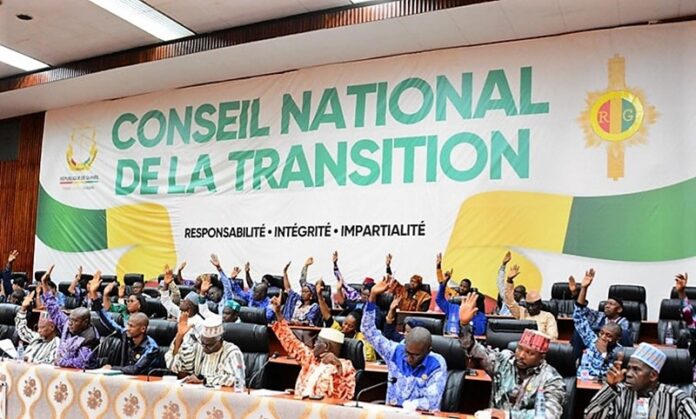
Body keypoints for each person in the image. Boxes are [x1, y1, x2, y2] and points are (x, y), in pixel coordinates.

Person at [458, 293, 566, 419]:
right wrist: (464, 324)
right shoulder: (504, 361)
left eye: (530, 353)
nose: (521, 355)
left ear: (542, 357)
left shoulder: (551, 379)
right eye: (520, 348)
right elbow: (474, 349)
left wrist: (507, 415)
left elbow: (549, 415)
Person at [361, 276, 447, 411]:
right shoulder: (396, 351)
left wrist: (411, 406)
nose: (408, 358)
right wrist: (372, 297)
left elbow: (432, 401)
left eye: (415, 355)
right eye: (407, 352)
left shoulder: (436, 364)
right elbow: (368, 331)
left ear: (428, 351)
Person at [270, 296, 356, 399]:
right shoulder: (310, 358)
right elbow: (290, 340)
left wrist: (338, 368)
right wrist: (278, 313)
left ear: (326, 346)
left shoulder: (345, 366)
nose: (314, 345)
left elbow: (344, 396)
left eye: (317, 342)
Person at [584, 343, 696, 418]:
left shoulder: (678, 399)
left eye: (636, 369)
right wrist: (610, 386)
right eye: (628, 368)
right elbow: (590, 416)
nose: (628, 374)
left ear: (652, 376)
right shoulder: (618, 392)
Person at [88, 281, 162, 375]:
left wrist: (112, 368)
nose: (128, 328)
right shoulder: (126, 334)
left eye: (131, 326)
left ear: (142, 329)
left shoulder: (151, 347)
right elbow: (108, 320)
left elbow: (136, 369)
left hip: (146, 381)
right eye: (128, 325)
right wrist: (94, 294)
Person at [42, 265, 99, 368]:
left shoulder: (89, 338)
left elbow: (82, 363)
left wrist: (60, 362)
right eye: (70, 320)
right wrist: (44, 284)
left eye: (75, 321)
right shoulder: (67, 324)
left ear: (85, 322)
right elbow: (53, 308)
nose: (70, 323)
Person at [167, 314, 246, 387]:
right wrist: (179, 336)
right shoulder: (198, 347)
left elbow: (238, 380)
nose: (204, 347)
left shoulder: (233, 352)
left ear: (219, 340)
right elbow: (175, 366)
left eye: (209, 345)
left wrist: (204, 381)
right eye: (203, 343)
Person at [571, 268, 632, 360]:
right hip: (592, 346)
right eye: (606, 303)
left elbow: (620, 340)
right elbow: (580, 311)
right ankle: (574, 361)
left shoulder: (624, 323)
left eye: (611, 304)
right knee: (578, 331)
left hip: (612, 353)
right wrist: (584, 288)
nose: (607, 306)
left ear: (619, 309)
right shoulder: (598, 316)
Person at [573, 269, 623, 379]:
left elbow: (612, 377)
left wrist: (604, 353)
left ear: (617, 339)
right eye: (601, 333)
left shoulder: (619, 352)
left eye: (608, 335)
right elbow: (579, 316)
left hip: (602, 386)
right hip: (582, 381)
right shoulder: (592, 340)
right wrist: (584, 288)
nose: (603, 337)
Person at [316, 279, 376, 361]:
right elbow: (327, 316)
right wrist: (320, 296)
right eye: (345, 323)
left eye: (350, 326)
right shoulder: (338, 330)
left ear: (356, 328)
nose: (346, 327)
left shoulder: (362, 338)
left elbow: (368, 359)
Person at [503, 257, 558, 339]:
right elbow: (509, 302)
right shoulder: (522, 312)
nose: (530, 308)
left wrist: (536, 334)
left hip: (539, 344)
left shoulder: (548, 316)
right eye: (528, 305)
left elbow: (553, 337)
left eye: (534, 305)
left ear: (540, 305)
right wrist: (509, 281)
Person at [435, 253, 487, 336]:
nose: (462, 288)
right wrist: (444, 281)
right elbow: (439, 299)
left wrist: (467, 319)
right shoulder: (452, 306)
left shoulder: (479, 315)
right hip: (450, 340)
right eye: (461, 286)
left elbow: (480, 332)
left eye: (471, 299)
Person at [15, 291, 59, 364]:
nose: (39, 330)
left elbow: (51, 363)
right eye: (38, 327)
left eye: (42, 328)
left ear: (52, 327)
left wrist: (30, 360)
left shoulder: (57, 343)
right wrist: (23, 308)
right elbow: (21, 329)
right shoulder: (37, 337)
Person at [282, 258, 320, 326]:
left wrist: (294, 323)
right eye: (302, 291)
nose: (303, 293)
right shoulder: (297, 301)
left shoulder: (314, 307)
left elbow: (308, 322)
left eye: (305, 292)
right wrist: (285, 273)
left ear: (311, 295)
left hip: (303, 330)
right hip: (290, 327)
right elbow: (288, 288)